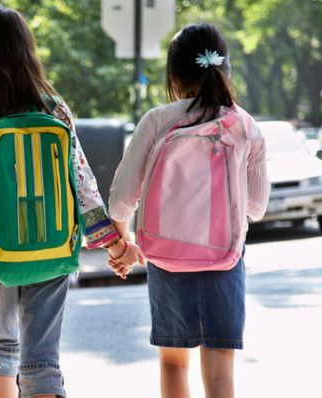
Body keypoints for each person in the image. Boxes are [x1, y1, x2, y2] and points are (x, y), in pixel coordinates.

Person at [0, 6, 139, 398]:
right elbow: (82, 185)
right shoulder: (53, 108)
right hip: (52, 245)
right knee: (42, 356)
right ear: (27, 49)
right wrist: (117, 245)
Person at [108, 23, 270, 398]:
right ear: (225, 71)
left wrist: (126, 242)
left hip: (166, 257)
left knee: (172, 363)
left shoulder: (157, 120)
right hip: (224, 258)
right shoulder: (245, 126)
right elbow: (257, 208)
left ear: (174, 77)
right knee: (219, 373)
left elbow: (120, 201)